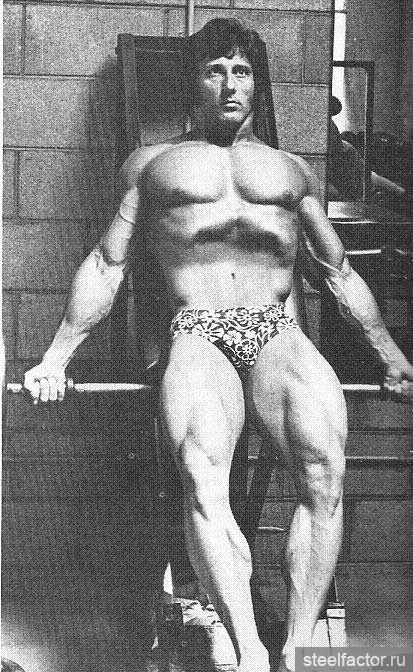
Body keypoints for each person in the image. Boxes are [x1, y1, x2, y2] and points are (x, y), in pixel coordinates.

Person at [24, 19, 413, 672]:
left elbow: (337, 272)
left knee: (325, 470)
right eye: (215, 70)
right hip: (197, 329)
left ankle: (296, 649)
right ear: (194, 83)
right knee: (203, 475)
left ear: (257, 84)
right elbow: (107, 264)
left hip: (274, 330)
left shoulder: (290, 172)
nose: (230, 84)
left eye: (241, 71)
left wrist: (391, 356)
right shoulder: (153, 166)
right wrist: (57, 356)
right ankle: (249, 651)